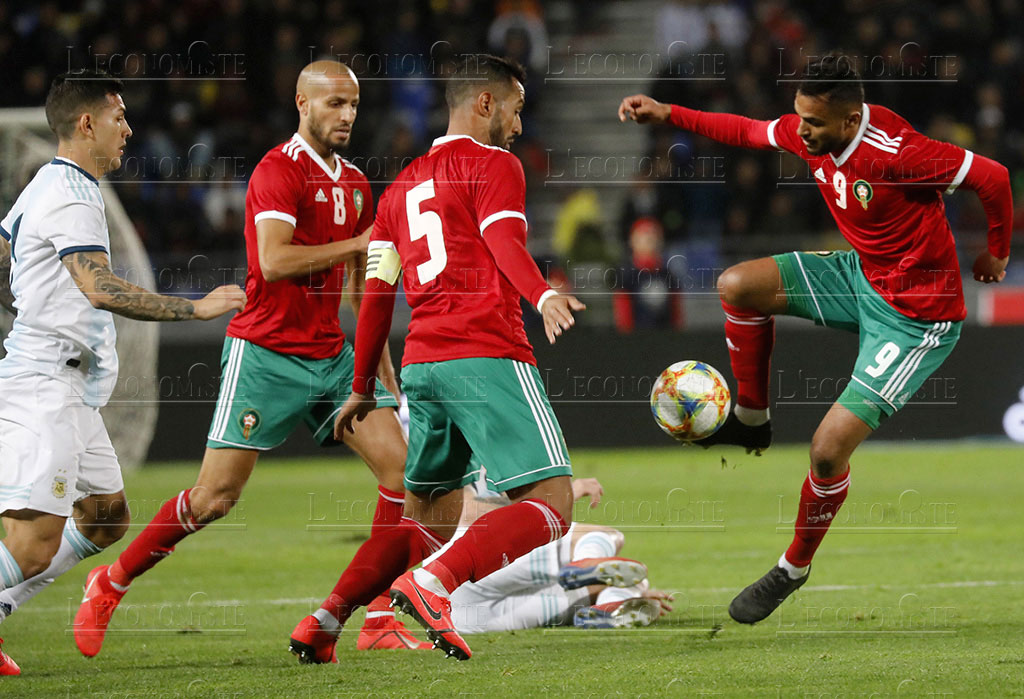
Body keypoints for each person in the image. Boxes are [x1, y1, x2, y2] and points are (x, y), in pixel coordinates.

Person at [618, 52, 1012, 624]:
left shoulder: (897, 154)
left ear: (850, 122)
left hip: (916, 315)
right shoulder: (813, 131)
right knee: (736, 286)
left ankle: (793, 568)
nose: (800, 131)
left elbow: (993, 176)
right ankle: (752, 420)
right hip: (860, 277)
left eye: (814, 123)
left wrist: (996, 250)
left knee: (827, 452)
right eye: (800, 118)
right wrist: (668, 112)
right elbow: (749, 131)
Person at [74, 61, 419, 657]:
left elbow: (364, 286)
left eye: (354, 105)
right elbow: (275, 261)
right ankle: (110, 581)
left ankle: (375, 616)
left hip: (333, 357)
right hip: (266, 353)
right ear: (302, 103)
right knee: (214, 499)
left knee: (404, 475)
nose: (347, 116)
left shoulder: (357, 183)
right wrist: (359, 243)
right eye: (334, 103)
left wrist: (378, 371)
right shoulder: (276, 171)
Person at [287, 53, 586, 663]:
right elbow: (504, 239)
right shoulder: (495, 164)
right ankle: (433, 584)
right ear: (485, 103)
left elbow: (375, 297)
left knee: (425, 522)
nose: (518, 126)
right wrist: (543, 292)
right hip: (486, 353)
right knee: (554, 502)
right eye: (516, 109)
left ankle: (326, 618)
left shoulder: (398, 190)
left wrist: (364, 386)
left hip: (423, 368)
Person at [0, 70, 246, 675]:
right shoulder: (71, 192)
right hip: (44, 386)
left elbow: (5, 246)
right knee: (32, 548)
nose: (128, 130)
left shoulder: (46, 184)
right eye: (119, 117)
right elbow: (99, 287)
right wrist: (195, 307)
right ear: (87, 123)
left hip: (72, 389)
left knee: (107, 516)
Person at [415, 477, 673, 637]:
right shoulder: (477, 433)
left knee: (635, 581)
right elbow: (468, 511)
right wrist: (567, 491)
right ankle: (586, 561)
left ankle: (611, 607)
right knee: (606, 536)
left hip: (464, 619)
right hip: (461, 566)